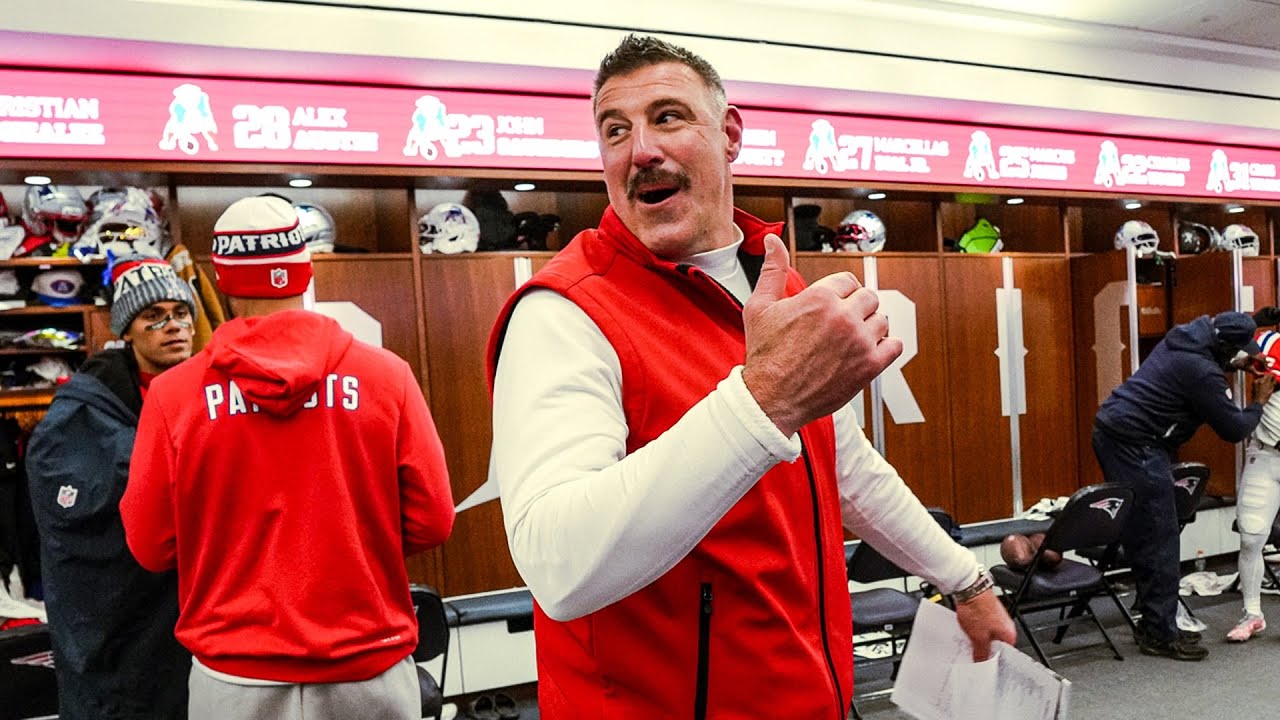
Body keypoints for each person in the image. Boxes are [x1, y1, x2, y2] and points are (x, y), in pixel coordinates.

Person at [486, 34, 1014, 718]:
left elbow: (846, 470)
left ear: (729, 133)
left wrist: (965, 580)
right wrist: (762, 402)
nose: (639, 148)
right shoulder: (565, 310)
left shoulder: (776, 287)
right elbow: (558, 567)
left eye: (668, 117)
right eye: (615, 130)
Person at [119, 196, 455, 720]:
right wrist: (352, 547)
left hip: (234, 678)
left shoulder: (172, 396)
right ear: (303, 270)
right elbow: (432, 520)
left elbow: (150, 544)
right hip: (369, 670)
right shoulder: (388, 378)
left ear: (222, 280)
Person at [26, 254, 197, 719]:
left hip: (193, 628)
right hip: (120, 633)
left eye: (181, 313)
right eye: (153, 317)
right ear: (126, 331)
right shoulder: (83, 411)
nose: (173, 326)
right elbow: (73, 509)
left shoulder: (206, 391)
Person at [1093, 310, 1273, 661]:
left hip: (1121, 433)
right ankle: (1160, 633)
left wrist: (1239, 363)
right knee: (1160, 534)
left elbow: (1228, 341)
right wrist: (1258, 402)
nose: (1244, 354)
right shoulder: (1200, 371)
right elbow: (1234, 429)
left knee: (1146, 528)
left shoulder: (1190, 336)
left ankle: (1151, 616)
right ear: (1221, 345)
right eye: (1238, 350)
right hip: (1135, 443)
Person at [1228, 307, 1280, 642]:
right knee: (1251, 536)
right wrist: (1247, 358)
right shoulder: (1269, 341)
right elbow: (1226, 351)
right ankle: (1252, 614)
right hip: (1267, 452)